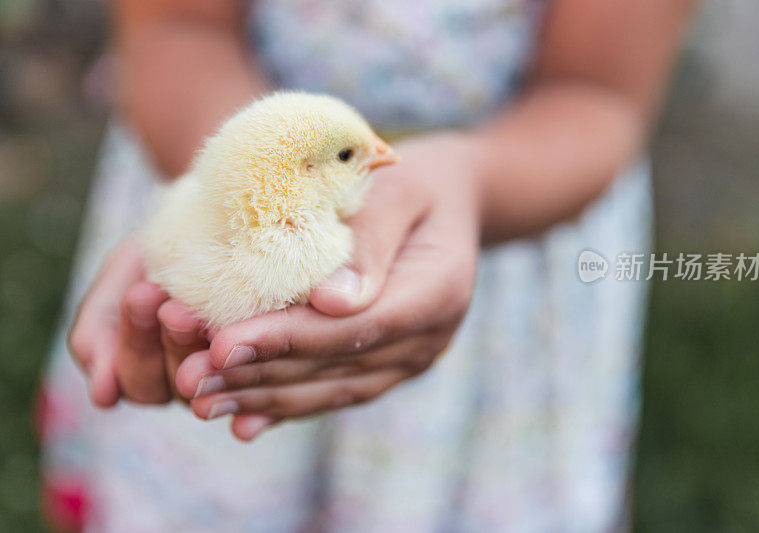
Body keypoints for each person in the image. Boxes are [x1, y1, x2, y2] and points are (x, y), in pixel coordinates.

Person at [41, 0, 695, 531]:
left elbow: (597, 93)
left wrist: (465, 183)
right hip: (211, 140)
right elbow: (175, 29)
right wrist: (238, 172)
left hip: (506, 230)